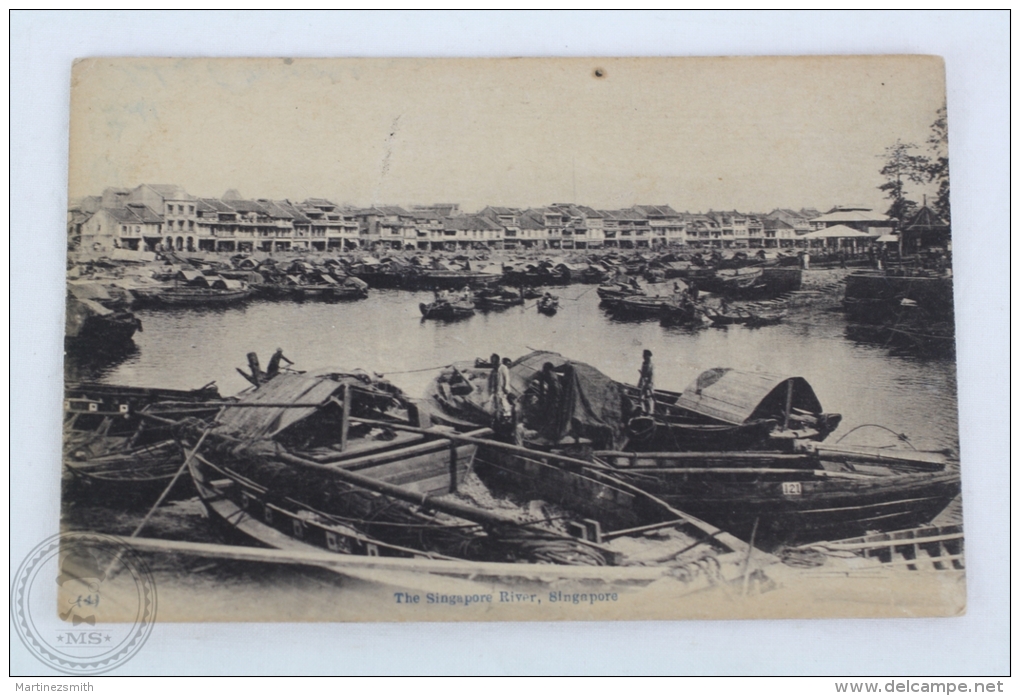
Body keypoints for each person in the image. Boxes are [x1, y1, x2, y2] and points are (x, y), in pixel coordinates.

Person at [637, 349, 655, 416]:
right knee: (641, 397)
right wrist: (640, 383)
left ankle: (650, 412)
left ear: (649, 356)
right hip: (644, 382)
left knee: (649, 397)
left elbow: (652, 375)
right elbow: (642, 375)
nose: (644, 357)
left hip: (649, 383)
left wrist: (649, 383)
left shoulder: (651, 365)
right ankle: (642, 410)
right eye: (643, 355)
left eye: (645, 356)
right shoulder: (644, 363)